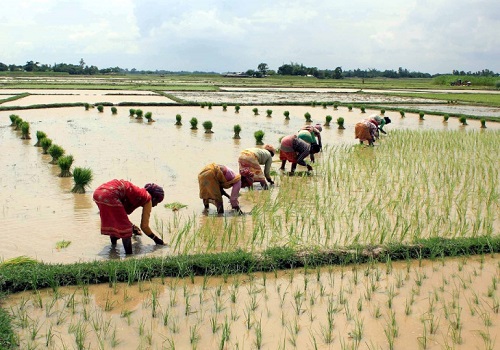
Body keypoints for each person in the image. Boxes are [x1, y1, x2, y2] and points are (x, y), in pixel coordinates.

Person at [93, 179, 165, 254]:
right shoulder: (148, 198)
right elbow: (144, 226)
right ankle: (129, 256)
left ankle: (113, 249)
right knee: (125, 228)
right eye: (157, 201)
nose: (156, 205)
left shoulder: (138, 192)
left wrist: (133, 227)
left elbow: (119, 216)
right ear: (154, 198)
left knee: (114, 222)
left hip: (98, 193)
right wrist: (157, 240)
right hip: (110, 195)